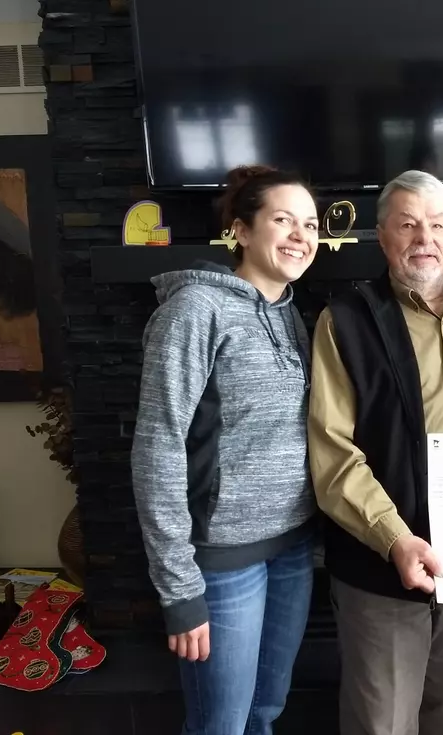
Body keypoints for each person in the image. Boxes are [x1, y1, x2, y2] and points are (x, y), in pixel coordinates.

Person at [307, 169, 443, 735]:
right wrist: (395, 539)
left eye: (436, 224)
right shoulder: (345, 321)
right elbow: (332, 454)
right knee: (383, 723)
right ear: (382, 237)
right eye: (407, 225)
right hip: (381, 566)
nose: (424, 237)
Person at [131, 165, 321, 735]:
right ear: (241, 230)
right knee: (222, 724)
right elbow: (157, 446)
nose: (300, 236)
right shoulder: (194, 311)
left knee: (267, 708)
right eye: (282, 220)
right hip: (219, 561)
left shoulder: (293, 316)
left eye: (310, 224)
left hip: (293, 548)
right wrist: (179, 588)